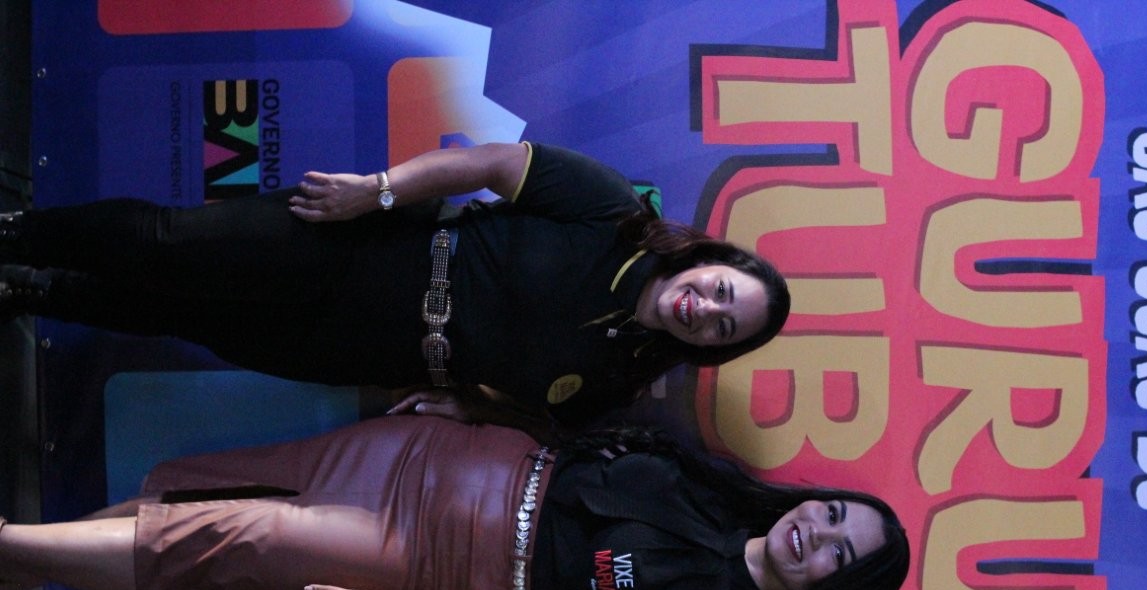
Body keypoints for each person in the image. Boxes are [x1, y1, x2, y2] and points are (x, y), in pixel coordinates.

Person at [0, 415, 908, 590]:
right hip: (435, 456)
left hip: (434, 560)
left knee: (231, 540)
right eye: (833, 513)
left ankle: (9, 545)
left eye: (839, 554)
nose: (817, 533)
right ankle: (19, 563)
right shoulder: (711, 478)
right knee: (202, 494)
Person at [0, 142, 789, 428]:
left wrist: (468, 405)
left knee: (186, 317)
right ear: (709, 261)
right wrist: (376, 191)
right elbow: (487, 163)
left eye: (724, 326)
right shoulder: (614, 213)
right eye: (722, 292)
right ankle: (18, 233)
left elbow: (535, 416)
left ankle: (33, 294)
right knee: (167, 244)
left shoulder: (620, 376)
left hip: (360, 348)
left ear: (710, 349)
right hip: (361, 247)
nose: (706, 310)